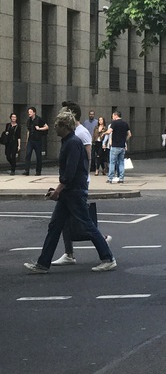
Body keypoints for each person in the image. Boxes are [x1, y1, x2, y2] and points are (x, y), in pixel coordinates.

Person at [23, 108, 116, 274]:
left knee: (86, 225)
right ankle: (43, 263)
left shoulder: (72, 143)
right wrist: (59, 190)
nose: (55, 128)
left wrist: (58, 190)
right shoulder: (68, 141)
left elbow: (70, 172)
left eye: (57, 125)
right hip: (69, 191)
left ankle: (108, 258)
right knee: (55, 226)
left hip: (74, 191)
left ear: (65, 126)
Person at [52, 102, 112, 267]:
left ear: (69, 116)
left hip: (77, 184)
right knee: (61, 222)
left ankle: (105, 249)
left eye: (63, 112)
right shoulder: (70, 134)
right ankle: (67, 254)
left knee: (84, 222)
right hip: (70, 184)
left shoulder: (81, 133)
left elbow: (86, 158)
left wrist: (84, 179)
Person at [106, 111, 131, 184]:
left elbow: (109, 131)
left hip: (115, 146)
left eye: (113, 116)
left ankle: (110, 178)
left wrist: (104, 133)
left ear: (116, 115)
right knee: (121, 163)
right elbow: (129, 134)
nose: (112, 117)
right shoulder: (125, 124)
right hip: (122, 146)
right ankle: (121, 178)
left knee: (112, 163)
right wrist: (124, 140)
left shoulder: (114, 123)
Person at [23, 107, 49, 176]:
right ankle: (27, 170)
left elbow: (46, 127)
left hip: (37, 140)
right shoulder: (29, 120)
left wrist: (39, 128)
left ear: (34, 112)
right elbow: (28, 131)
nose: (29, 113)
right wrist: (26, 140)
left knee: (38, 156)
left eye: (30, 112)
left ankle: (38, 171)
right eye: (28, 112)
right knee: (28, 155)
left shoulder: (39, 119)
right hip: (30, 140)